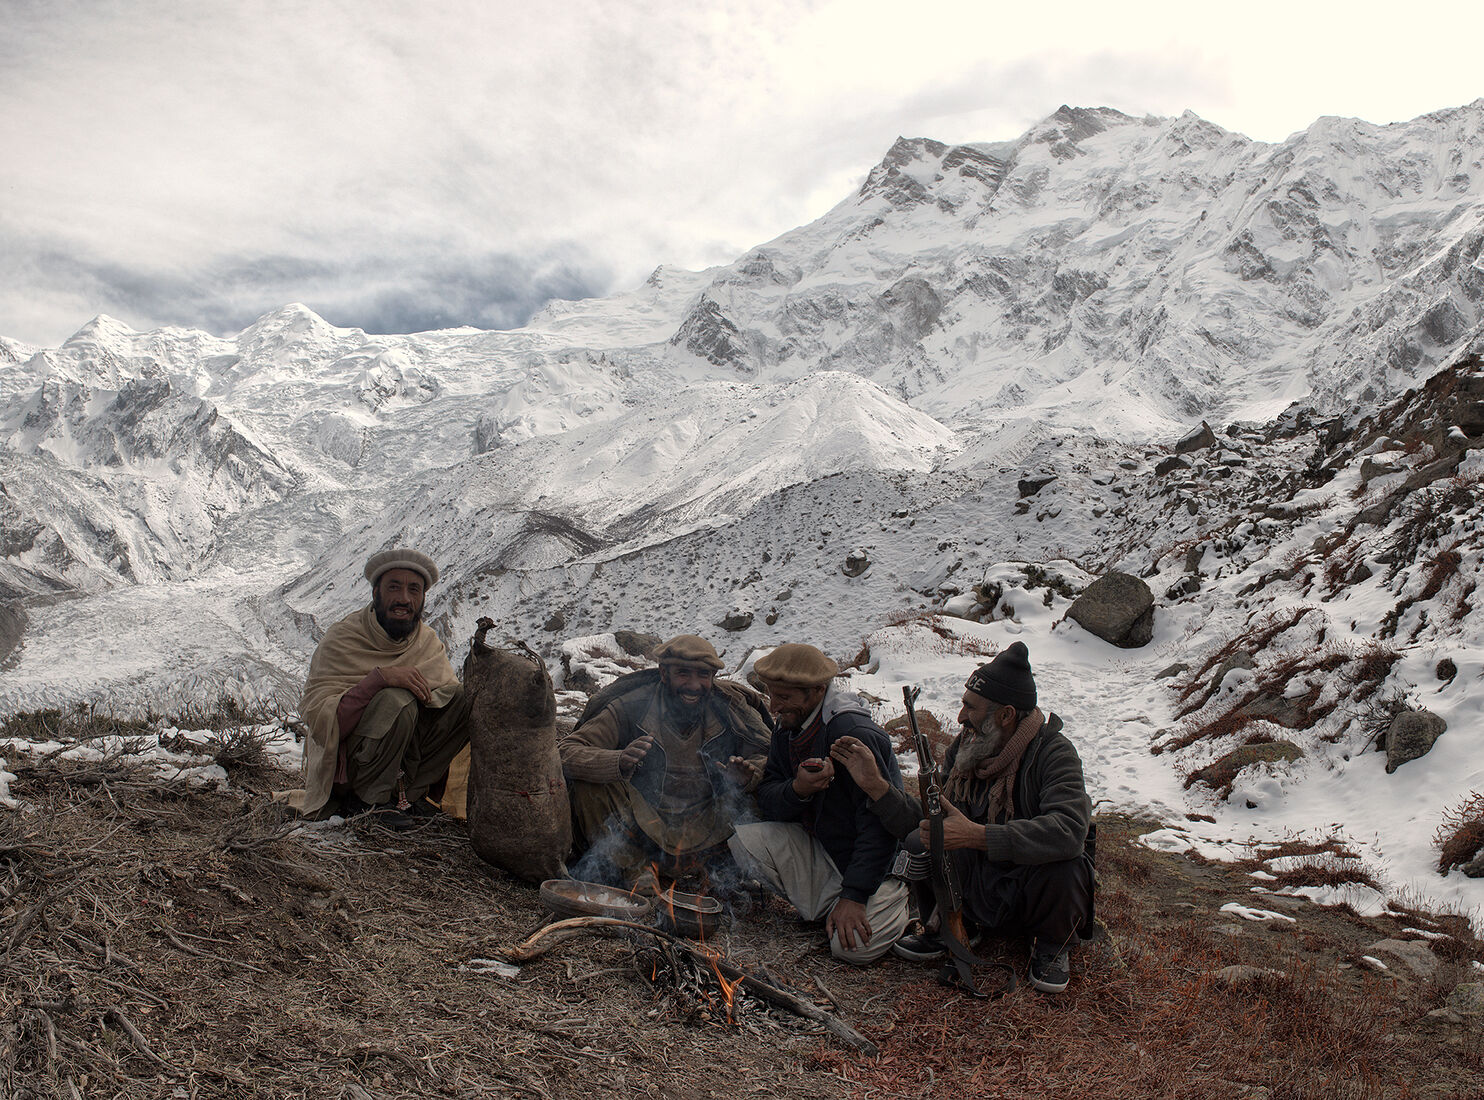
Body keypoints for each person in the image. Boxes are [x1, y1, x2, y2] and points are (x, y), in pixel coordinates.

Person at [830, 641, 1094, 993]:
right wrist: (877, 787)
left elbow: (1069, 830)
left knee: (1068, 863)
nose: (960, 718)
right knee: (920, 841)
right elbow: (930, 821)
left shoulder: (1054, 753)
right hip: (981, 885)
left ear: (1006, 715)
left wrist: (977, 836)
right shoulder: (967, 747)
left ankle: (1052, 944)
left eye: (971, 708)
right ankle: (953, 924)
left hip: (1032, 888)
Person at [729, 643, 911, 964]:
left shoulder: (851, 733)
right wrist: (798, 789)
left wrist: (854, 896)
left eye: (784, 698)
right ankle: (832, 907)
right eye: (772, 695)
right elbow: (770, 797)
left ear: (817, 691)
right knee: (742, 840)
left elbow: (880, 825)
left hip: (879, 869)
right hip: (827, 854)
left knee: (852, 950)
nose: (773, 707)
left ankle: (900, 904)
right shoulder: (788, 729)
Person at [559, 635, 772, 894]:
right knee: (589, 785)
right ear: (663, 673)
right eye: (683, 674)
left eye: (703, 675)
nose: (694, 685)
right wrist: (617, 760)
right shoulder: (631, 705)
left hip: (705, 822)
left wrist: (747, 775)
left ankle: (718, 870)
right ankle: (635, 867)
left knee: (769, 793)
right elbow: (567, 751)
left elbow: (770, 755)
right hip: (641, 822)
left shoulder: (731, 709)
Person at [288, 548, 471, 830]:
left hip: (404, 763)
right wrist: (378, 680)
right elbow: (321, 718)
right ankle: (368, 802)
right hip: (351, 771)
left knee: (462, 699)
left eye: (414, 590)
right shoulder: (344, 637)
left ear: (423, 598)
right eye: (394, 587)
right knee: (396, 699)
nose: (404, 599)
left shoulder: (427, 641)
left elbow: (443, 711)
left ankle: (408, 796)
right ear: (376, 593)